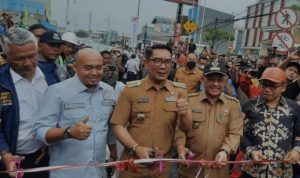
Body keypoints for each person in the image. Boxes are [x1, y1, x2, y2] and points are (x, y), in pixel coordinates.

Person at [110, 44, 192, 178]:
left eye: (167, 62)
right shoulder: (131, 90)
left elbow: (186, 128)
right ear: (146, 63)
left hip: (161, 165)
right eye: (158, 61)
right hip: (134, 163)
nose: (163, 66)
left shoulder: (179, 91)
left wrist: (184, 114)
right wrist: (136, 148)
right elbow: (117, 125)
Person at [34, 48, 117, 178]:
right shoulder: (57, 92)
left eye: (99, 68)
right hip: (67, 173)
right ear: (75, 67)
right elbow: (39, 131)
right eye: (88, 68)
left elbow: (109, 128)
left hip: (98, 172)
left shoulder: (109, 91)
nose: (94, 73)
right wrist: (68, 132)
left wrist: (113, 156)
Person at [175, 61, 244, 178]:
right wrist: (180, 147)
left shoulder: (233, 105)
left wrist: (225, 151)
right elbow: (180, 130)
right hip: (190, 168)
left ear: (226, 81)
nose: (215, 84)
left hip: (218, 171)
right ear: (202, 80)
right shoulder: (190, 101)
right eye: (211, 79)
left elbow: (235, 133)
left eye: (220, 80)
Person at [0, 27, 51, 178]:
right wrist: (4, 153)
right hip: (9, 162)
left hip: (43, 158)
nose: (28, 63)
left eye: (32, 56)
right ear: (5, 56)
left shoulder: (53, 76)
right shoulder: (2, 83)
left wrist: (52, 142)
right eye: (20, 58)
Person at [241, 67, 300, 177]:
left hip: (282, 171)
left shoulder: (294, 108)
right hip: (252, 170)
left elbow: (298, 135)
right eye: (264, 85)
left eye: (272, 86)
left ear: (283, 87)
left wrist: (297, 150)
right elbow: (240, 133)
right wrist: (250, 150)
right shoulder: (249, 106)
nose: (267, 89)